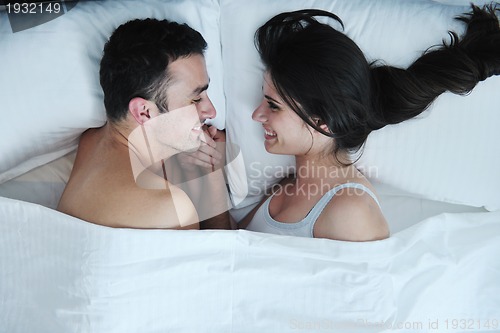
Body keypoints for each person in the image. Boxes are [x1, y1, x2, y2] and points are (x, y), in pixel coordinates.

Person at [240, 5, 500, 241]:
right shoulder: (287, 185)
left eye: (273, 105)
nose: (257, 115)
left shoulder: (350, 212)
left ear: (325, 122)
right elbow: (224, 249)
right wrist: (212, 178)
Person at [57, 18, 231, 230]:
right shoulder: (172, 209)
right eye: (195, 100)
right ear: (144, 112)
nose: (211, 112)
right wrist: (214, 181)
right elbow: (223, 255)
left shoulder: (91, 140)